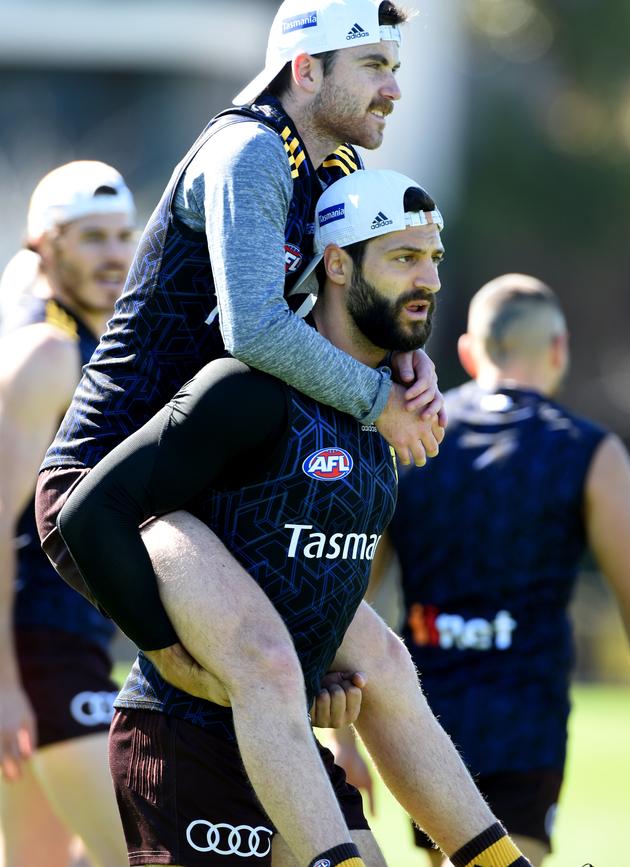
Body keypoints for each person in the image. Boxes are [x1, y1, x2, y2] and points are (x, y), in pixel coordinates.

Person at [36, 0, 446, 863]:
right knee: (262, 668)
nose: (395, 88)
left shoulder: (329, 171)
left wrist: (414, 363)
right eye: (374, 66)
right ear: (308, 69)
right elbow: (255, 330)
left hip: (207, 487)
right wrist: (380, 401)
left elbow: (352, 305)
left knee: (373, 671)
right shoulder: (252, 150)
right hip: (113, 490)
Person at [57, 169, 532, 867]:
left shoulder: (383, 413)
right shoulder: (245, 391)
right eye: (402, 258)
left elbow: (316, 597)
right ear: (337, 263)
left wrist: (313, 668)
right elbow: (89, 512)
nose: (426, 278)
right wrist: (167, 651)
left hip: (287, 751)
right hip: (184, 740)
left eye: (433, 257)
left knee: (389, 660)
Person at [356, 273, 630, 866]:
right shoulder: (589, 452)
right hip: (527, 725)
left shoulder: (414, 440)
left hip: (427, 726)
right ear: (559, 348)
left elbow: (348, 601)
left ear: (468, 351)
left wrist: (341, 736)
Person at [0, 160, 138, 866]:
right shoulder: (47, 353)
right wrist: (3, 683)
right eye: (91, 237)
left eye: (122, 235)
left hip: (71, 643)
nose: (114, 253)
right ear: (44, 246)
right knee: (149, 853)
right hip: (40, 650)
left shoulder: (100, 350)